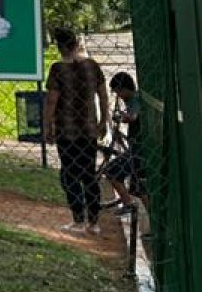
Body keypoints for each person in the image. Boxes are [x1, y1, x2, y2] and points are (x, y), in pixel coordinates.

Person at [42, 26, 109, 234]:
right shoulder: (91, 66)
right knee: (89, 174)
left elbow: (52, 101)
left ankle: (78, 219)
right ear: (76, 43)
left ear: (59, 46)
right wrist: (103, 120)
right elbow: (103, 95)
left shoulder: (58, 69)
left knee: (69, 175)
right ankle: (94, 222)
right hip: (88, 129)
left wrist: (47, 125)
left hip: (67, 130)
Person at [101, 71, 145, 215]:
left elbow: (133, 117)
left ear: (125, 89)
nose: (118, 96)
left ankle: (128, 204)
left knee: (111, 171)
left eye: (119, 92)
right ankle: (158, 226)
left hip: (139, 149)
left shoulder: (135, 99)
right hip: (137, 146)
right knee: (139, 189)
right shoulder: (131, 99)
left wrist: (123, 117)